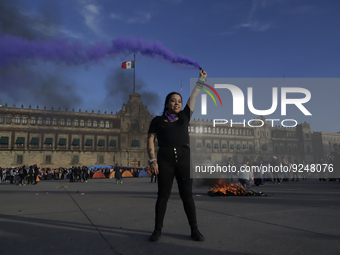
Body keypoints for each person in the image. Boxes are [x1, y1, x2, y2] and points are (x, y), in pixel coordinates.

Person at [147, 69, 207, 242]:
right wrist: (152, 160)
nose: (177, 103)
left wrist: (201, 79)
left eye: (179, 101)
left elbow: (194, 96)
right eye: (173, 100)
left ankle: (194, 230)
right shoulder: (157, 121)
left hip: (184, 157)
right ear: (166, 103)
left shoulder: (184, 117)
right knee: (162, 195)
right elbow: (151, 140)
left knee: (187, 195)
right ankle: (157, 230)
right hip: (164, 158)